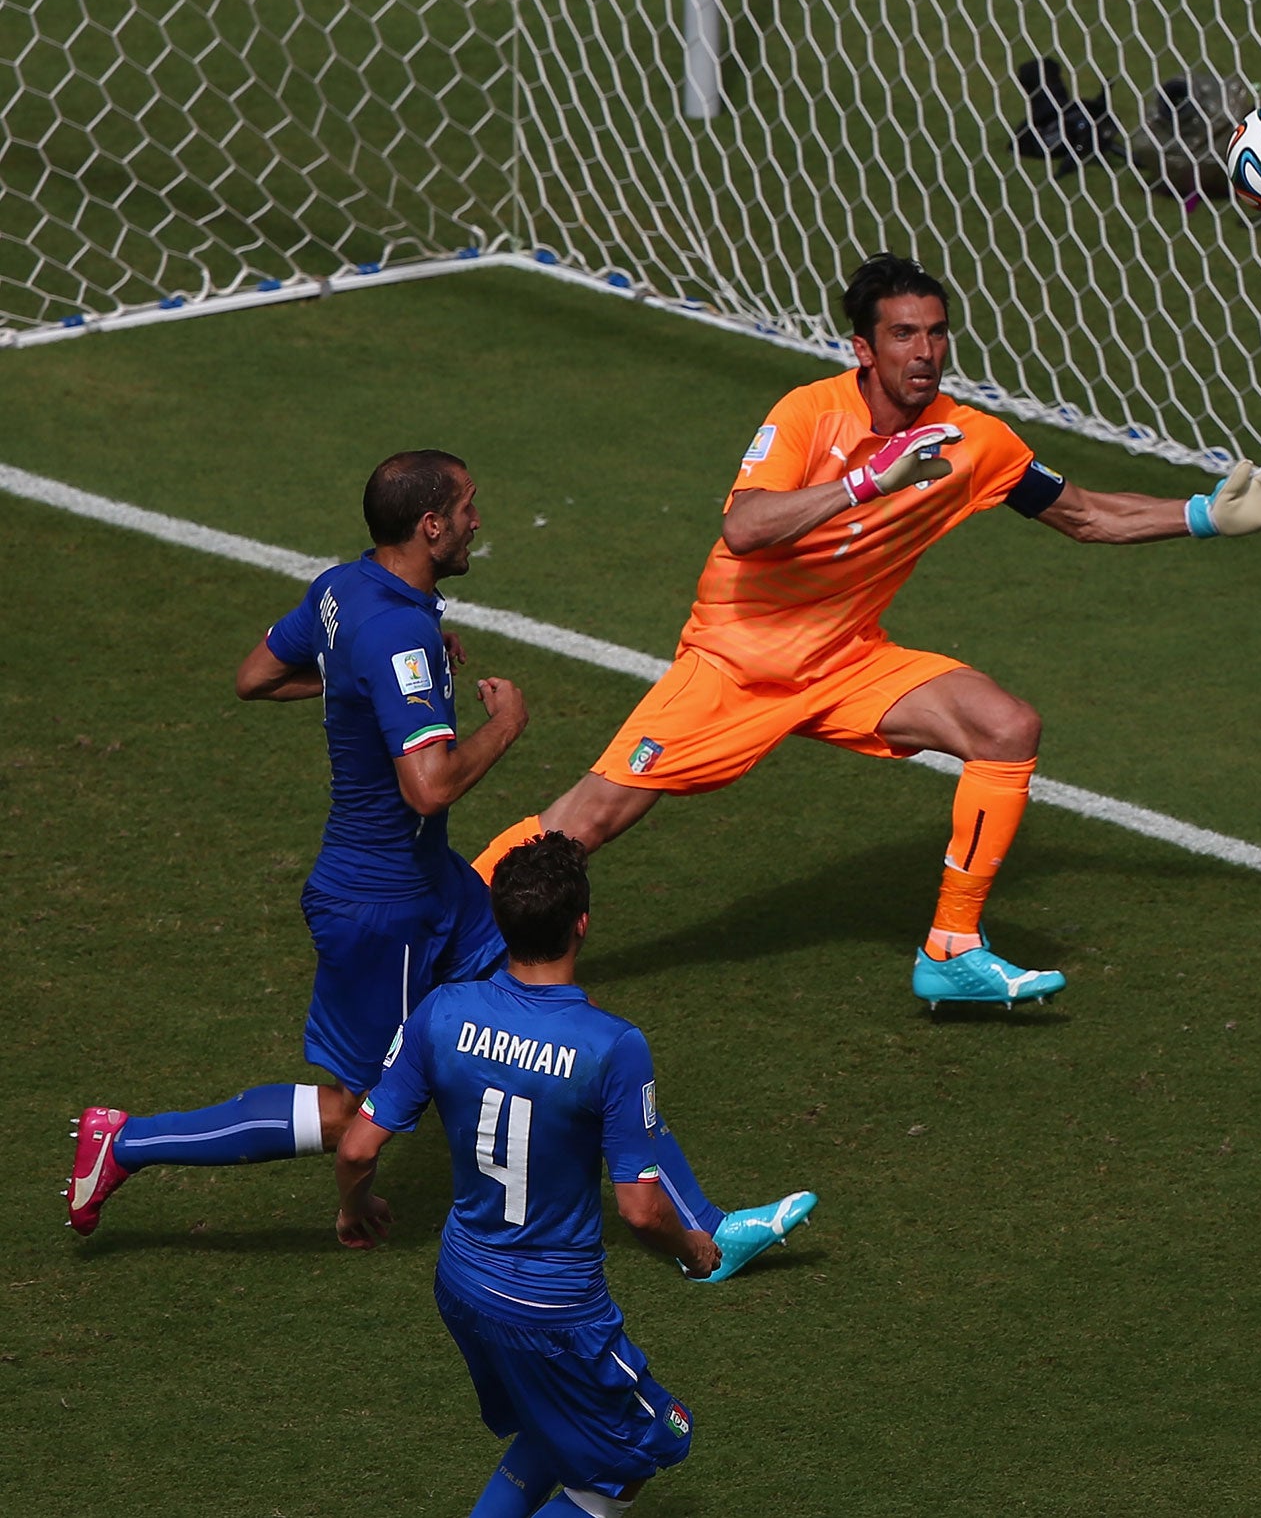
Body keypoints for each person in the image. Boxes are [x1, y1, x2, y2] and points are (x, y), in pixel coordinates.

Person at [470, 252, 1261, 1008]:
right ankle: (441, 928)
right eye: (905, 335)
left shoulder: (972, 441)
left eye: (938, 334)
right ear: (863, 349)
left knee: (1006, 726)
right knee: (589, 822)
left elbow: (1088, 516)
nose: (926, 352)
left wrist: (1206, 514)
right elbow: (746, 529)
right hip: (736, 661)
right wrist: (866, 484)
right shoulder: (808, 414)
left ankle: (952, 947)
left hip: (845, 661)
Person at [66, 452, 810, 1280]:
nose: (475, 522)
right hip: (384, 909)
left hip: (437, 888)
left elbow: (256, 675)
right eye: (465, 508)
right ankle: (125, 1141)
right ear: (429, 526)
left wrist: (369, 685)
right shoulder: (395, 632)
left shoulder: (343, 589)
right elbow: (428, 787)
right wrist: (505, 725)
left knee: (570, 1026)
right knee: (352, 1110)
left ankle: (704, 1227)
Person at [335, 832, 710, 1518]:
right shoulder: (611, 1046)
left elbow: (358, 1148)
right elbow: (641, 1210)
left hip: (462, 1286)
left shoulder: (444, 1011)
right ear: (582, 924)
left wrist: (352, 1209)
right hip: (558, 1310)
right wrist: (694, 1250)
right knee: (647, 1446)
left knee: (550, 1423)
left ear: (501, 923)